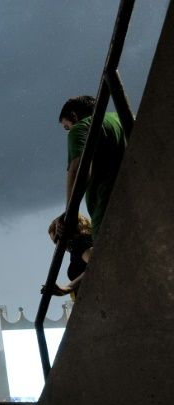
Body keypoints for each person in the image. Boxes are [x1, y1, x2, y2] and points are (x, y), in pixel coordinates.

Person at [57, 95, 126, 239]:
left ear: (74, 116)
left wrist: (71, 214)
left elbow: (79, 169)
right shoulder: (124, 117)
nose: (69, 131)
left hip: (110, 213)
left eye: (67, 127)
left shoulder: (80, 128)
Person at [42, 213, 93, 300]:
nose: (57, 245)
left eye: (57, 239)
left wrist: (67, 289)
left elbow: (96, 263)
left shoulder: (78, 243)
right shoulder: (86, 241)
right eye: (55, 242)